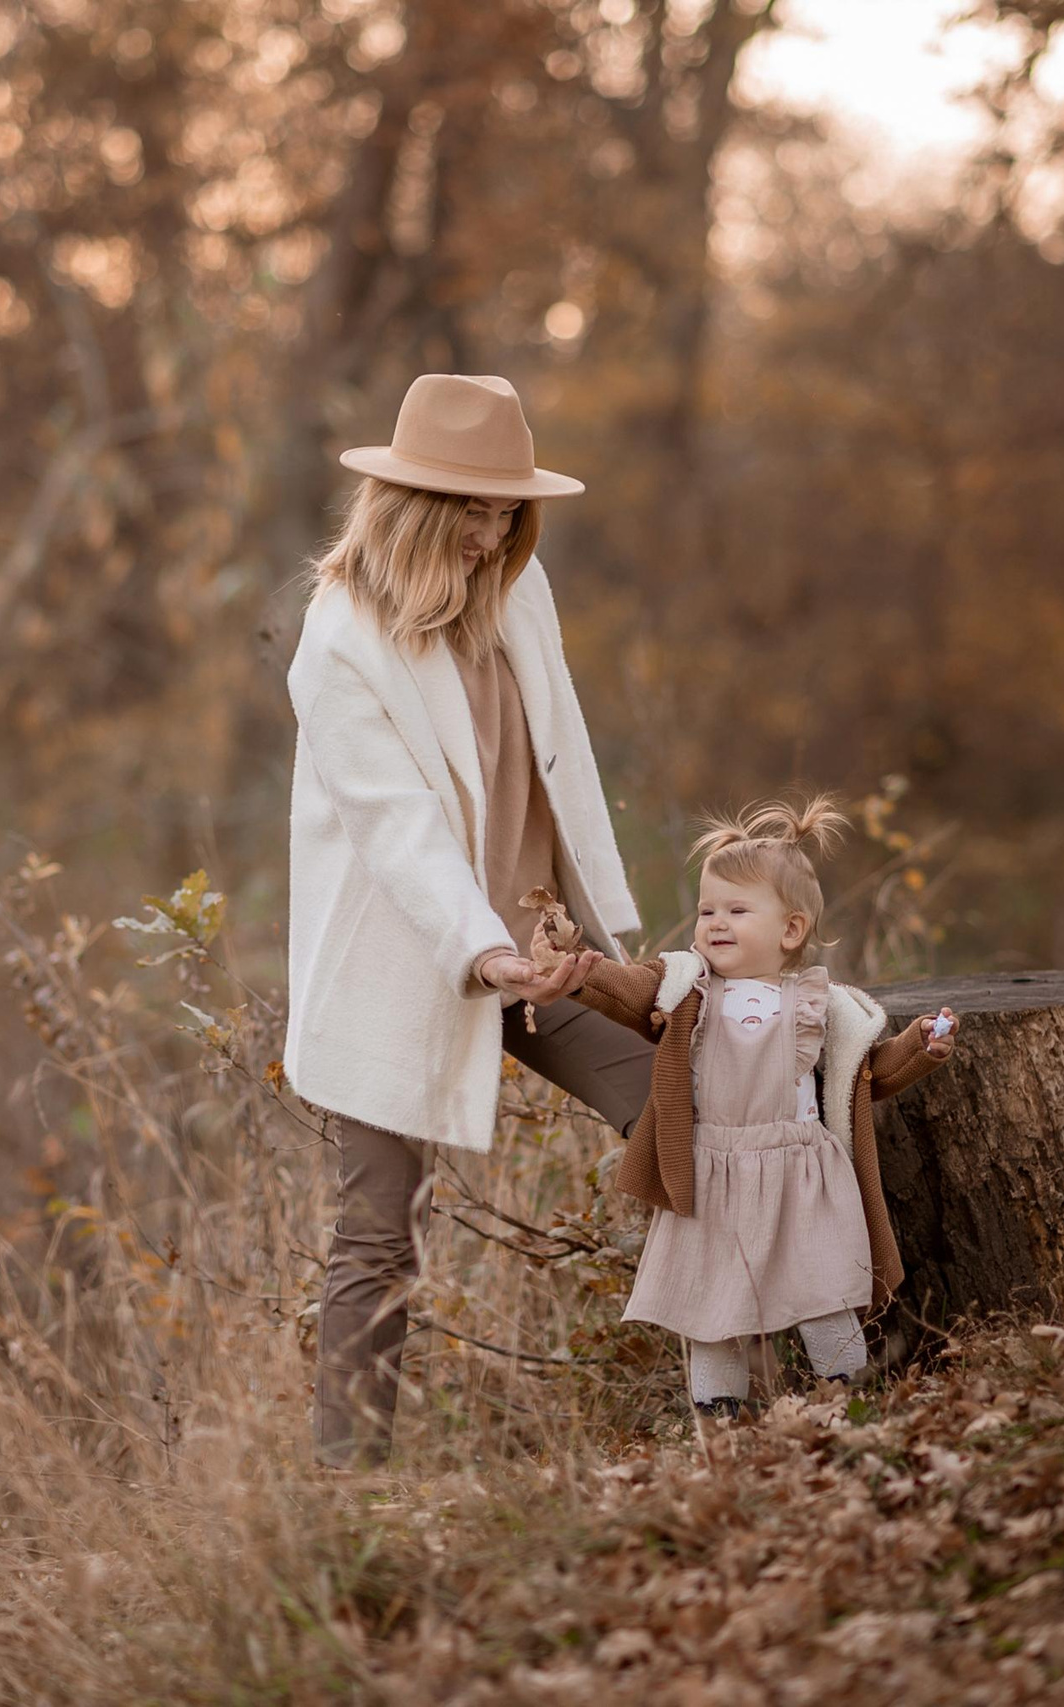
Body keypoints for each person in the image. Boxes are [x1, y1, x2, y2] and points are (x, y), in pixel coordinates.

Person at [286, 372, 656, 1468]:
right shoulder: (340, 639)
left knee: (682, 1111)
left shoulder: (517, 592)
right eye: (473, 511)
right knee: (378, 1233)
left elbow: (562, 764)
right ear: (413, 505)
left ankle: (743, 1389)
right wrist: (480, 950)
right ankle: (347, 1495)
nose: (493, 534)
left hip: (544, 947)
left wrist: (584, 933)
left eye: (507, 510)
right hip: (415, 961)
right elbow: (396, 827)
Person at [571, 796, 960, 1418]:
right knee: (710, 1307)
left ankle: (848, 1406)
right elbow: (627, 989)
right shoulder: (686, 990)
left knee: (822, 1291)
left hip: (802, 1174)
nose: (714, 923)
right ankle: (718, 1419)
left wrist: (921, 1046)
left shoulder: (822, 1004)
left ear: (790, 930)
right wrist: (576, 972)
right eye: (706, 910)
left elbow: (866, 1075)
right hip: (712, 1174)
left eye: (736, 910)